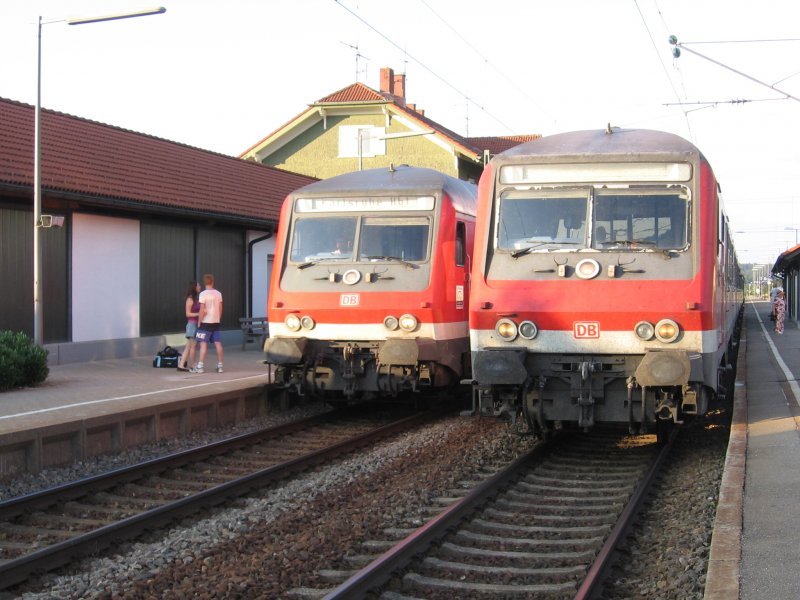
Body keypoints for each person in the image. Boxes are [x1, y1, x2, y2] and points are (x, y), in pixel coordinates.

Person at [192, 273, 224, 373]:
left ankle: (200, 366)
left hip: (205, 322)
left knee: (203, 344)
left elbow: (202, 310)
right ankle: (220, 366)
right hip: (216, 321)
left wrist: (199, 321)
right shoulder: (218, 294)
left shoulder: (203, 294)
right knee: (217, 343)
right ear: (213, 281)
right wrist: (218, 318)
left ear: (204, 282)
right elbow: (220, 308)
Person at [177, 281, 201, 371]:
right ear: (194, 287)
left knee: (188, 346)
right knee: (193, 346)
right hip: (192, 325)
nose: (200, 286)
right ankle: (194, 365)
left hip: (195, 324)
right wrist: (198, 314)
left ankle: (181, 364)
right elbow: (188, 314)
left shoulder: (196, 299)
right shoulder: (190, 299)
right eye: (198, 285)